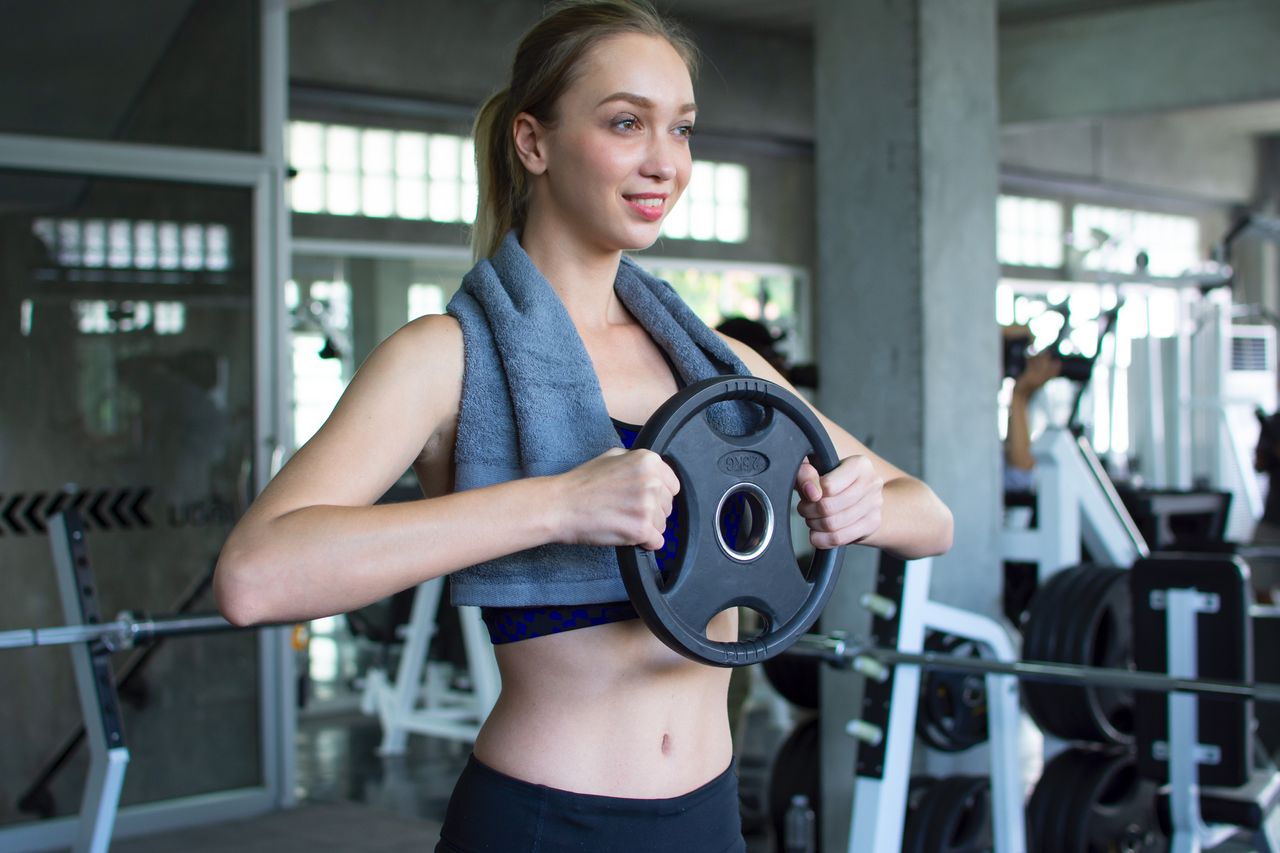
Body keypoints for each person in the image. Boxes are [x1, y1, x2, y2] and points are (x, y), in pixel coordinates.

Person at [213, 2, 953, 850]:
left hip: (710, 816)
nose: (664, 162)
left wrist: (858, 509)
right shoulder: (447, 357)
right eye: (626, 123)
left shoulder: (717, 364)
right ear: (533, 142)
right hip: (544, 820)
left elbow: (929, 515)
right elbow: (255, 577)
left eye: (681, 130)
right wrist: (560, 503)